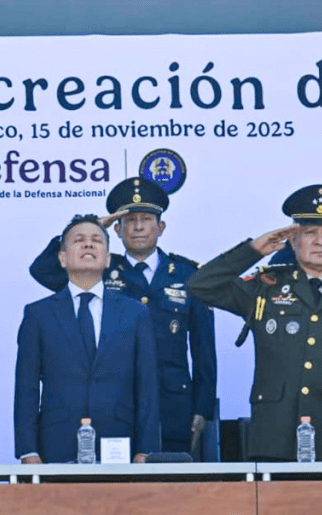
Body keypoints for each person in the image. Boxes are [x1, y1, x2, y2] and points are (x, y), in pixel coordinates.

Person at [188, 184, 322, 461]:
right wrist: (254, 249)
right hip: (274, 443)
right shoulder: (266, 286)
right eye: (309, 233)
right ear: (293, 241)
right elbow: (200, 286)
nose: (320, 241)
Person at [29, 177, 216, 456]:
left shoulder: (189, 276)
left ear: (160, 227)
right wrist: (92, 226)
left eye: (146, 219)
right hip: (117, 404)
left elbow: (204, 351)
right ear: (117, 228)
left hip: (172, 405)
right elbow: (44, 271)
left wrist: (203, 408)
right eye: (129, 221)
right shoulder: (100, 268)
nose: (138, 227)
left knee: (173, 492)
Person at [14, 214, 160, 463]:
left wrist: (145, 451)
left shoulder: (135, 313)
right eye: (78, 240)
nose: (88, 245)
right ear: (62, 257)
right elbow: (26, 388)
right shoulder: (38, 314)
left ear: (107, 259)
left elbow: (147, 387)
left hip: (120, 444)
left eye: (96, 240)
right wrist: (28, 450)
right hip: (56, 444)